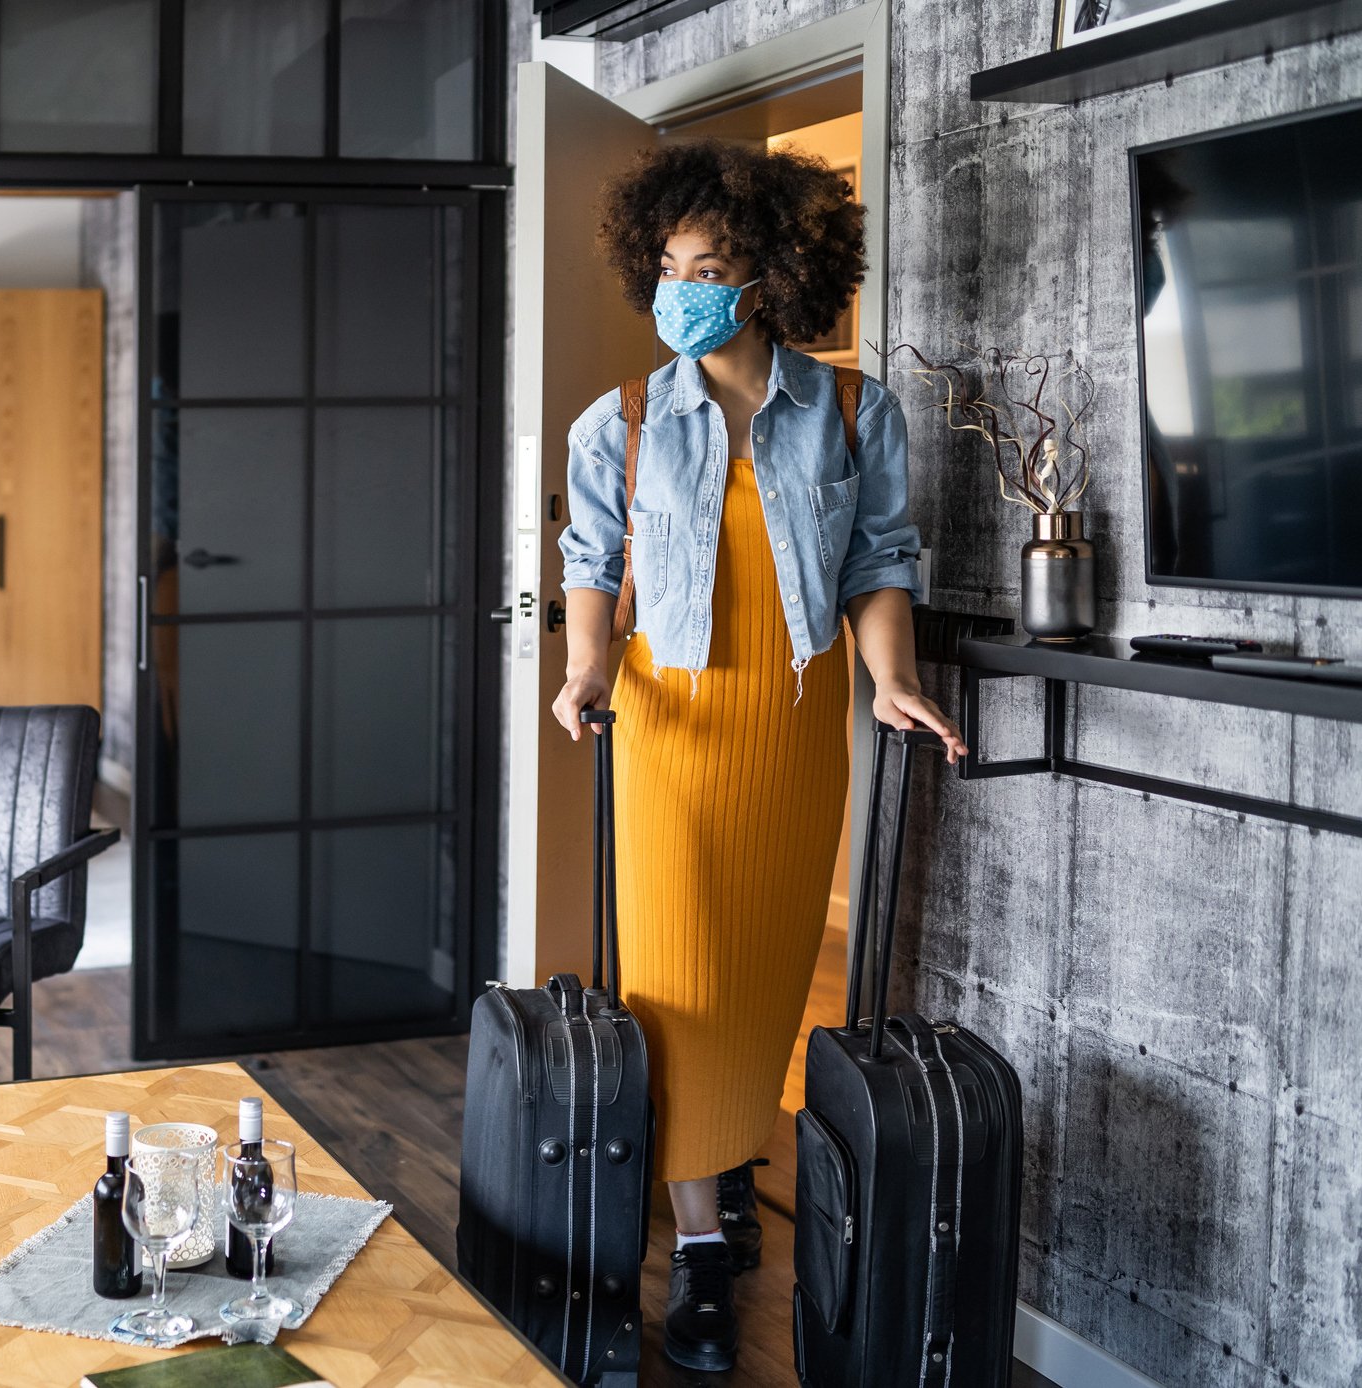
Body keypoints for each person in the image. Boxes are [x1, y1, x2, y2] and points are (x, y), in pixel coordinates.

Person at [552, 138, 967, 1373]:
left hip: (789, 738)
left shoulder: (849, 410)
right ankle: (696, 1251)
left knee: (762, 989)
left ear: (770, 274)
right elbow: (588, 566)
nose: (684, 288)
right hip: (668, 731)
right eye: (668, 266)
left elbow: (878, 562)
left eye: (711, 265)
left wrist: (889, 681)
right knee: (675, 995)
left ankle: (720, 1169)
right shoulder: (619, 420)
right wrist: (582, 671)